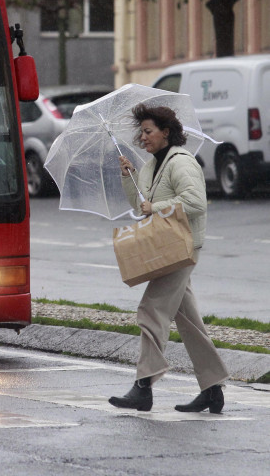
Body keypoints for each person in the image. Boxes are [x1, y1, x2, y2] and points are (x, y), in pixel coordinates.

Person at [109, 104, 228, 413]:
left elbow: (195, 202)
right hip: (167, 246)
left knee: (151, 309)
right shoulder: (150, 165)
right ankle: (213, 388)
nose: (143, 137)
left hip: (183, 247)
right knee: (187, 320)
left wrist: (156, 208)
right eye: (141, 132)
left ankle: (143, 386)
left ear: (165, 132)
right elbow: (141, 205)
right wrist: (129, 177)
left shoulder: (181, 162)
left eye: (148, 131)